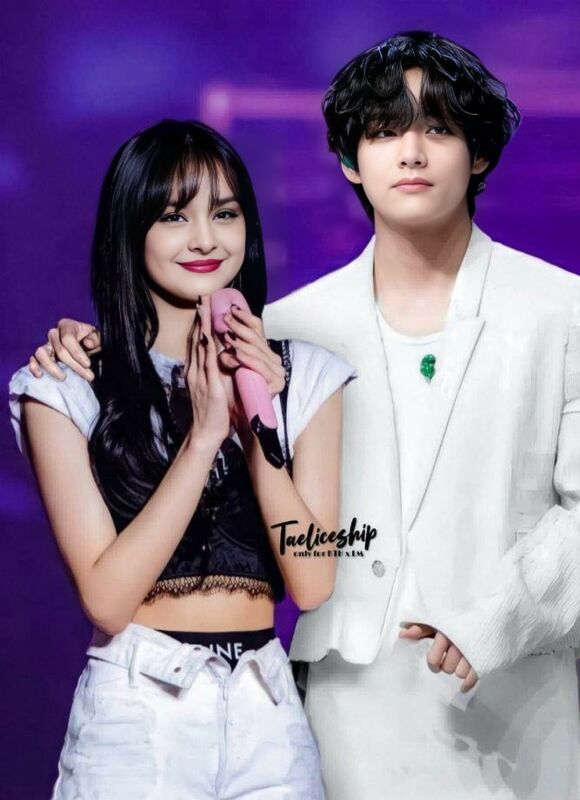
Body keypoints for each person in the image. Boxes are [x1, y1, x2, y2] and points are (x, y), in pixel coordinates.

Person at [27, 32, 580, 800]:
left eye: (439, 128)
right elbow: (176, 365)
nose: (411, 153)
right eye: (384, 132)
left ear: (479, 153)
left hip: (509, 688)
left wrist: (496, 620)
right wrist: (99, 344)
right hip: (348, 696)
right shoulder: (291, 327)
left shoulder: (560, 306)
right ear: (350, 161)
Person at [9, 119, 356, 799]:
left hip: (267, 711)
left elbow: (313, 581)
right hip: (137, 711)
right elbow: (107, 600)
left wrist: (256, 425)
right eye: (174, 216)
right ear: (130, 230)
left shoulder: (309, 377)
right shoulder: (65, 386)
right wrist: (201, 439)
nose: (205, 239)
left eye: (224, 214)